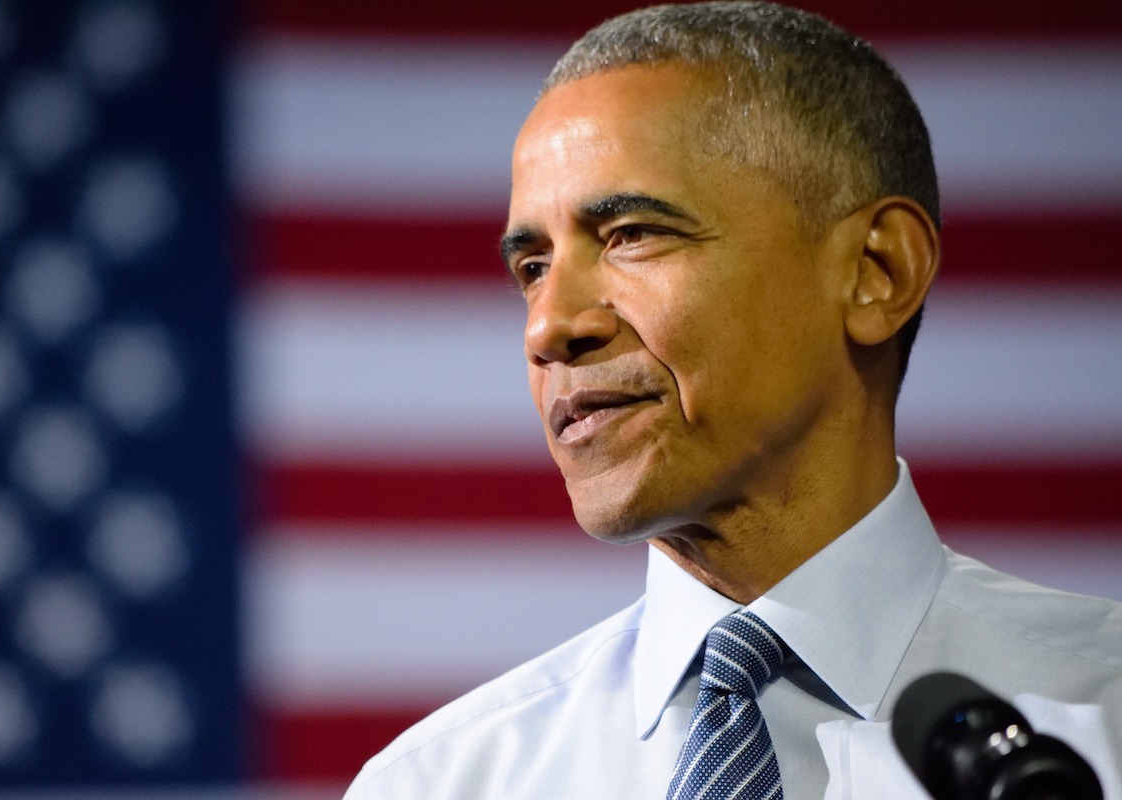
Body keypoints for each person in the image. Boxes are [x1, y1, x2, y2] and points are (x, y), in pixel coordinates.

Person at [343, 3, 1122, 798]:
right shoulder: (441, 782)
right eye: (532, 268)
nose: (548, 327)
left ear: (876, 271)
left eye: (632, 234)